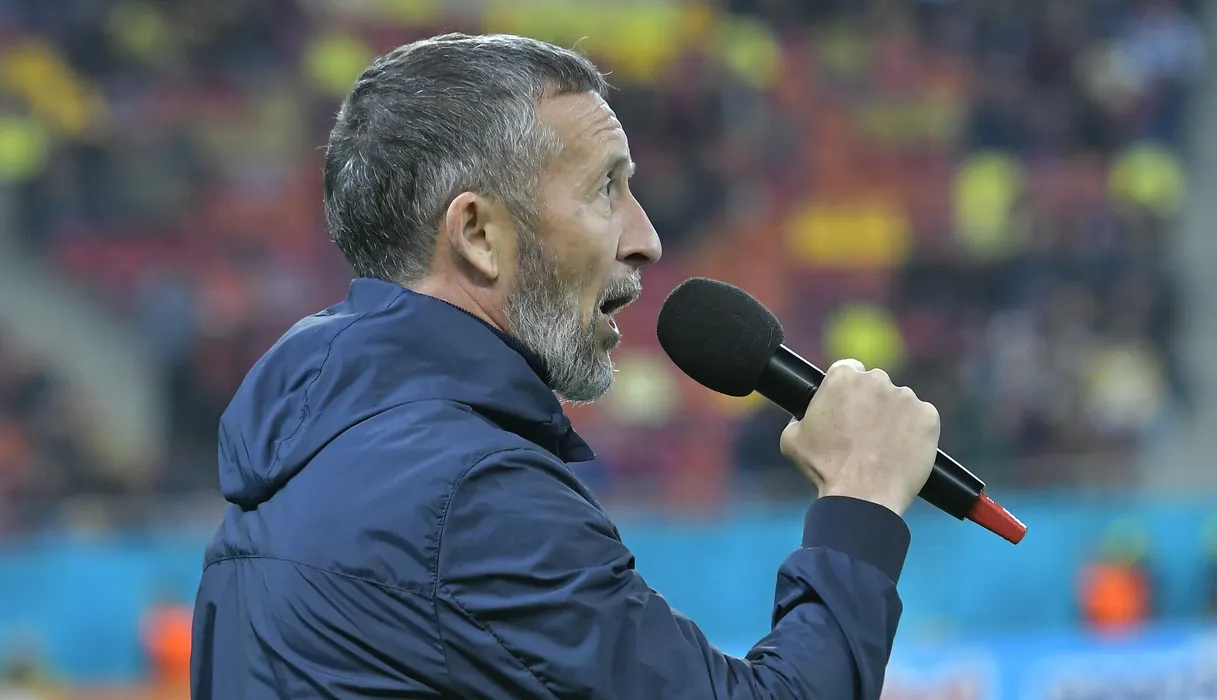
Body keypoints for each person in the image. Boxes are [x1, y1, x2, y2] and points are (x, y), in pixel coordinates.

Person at [189, 33, 940, 699]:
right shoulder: (464, 497)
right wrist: (859, 500)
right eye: (605, 189)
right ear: (478, 234)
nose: (645, 238)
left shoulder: (300, 464)